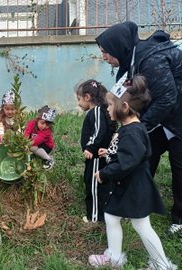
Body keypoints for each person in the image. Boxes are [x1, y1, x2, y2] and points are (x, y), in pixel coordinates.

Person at [96, 21, 182, 235]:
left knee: (179, 168)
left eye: (106, 52)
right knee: (143, 159)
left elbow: (167, 98)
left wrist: (138, 127)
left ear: (119, 47)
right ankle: (137, 205)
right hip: (161, 119)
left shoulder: (151, 59)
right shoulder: (132, 61)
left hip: (178, 120)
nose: (104, 57)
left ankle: (179, 218)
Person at [88, 75, 177, 270]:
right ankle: (114, 257)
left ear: (125, 107)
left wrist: (104, 173)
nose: (108, 109)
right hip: (129, 184)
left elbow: (128, 162)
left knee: (142, 226)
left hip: (135, 187)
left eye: (111, 106)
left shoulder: (133, 132)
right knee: (111, 217)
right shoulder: (130, 129)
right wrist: (111, 152)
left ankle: (161, 264)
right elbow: (130, 154)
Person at [76, 80, 116, 223]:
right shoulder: (101, 111)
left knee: (93, 185)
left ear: (87, 97)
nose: (79, 103)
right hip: (101, 156)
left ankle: (94, 217)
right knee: (101, 185)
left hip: (96, 158)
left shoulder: (97, 111)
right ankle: (104, 215)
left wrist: (90, 147)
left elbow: (99, 131)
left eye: (79, 99)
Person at [24, 105, 56, 170]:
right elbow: (27, 132)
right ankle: (32, 152)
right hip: (35, 141)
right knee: (31, 147)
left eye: (47, 125)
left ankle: (48, 159)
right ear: (38, 119)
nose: (44, 126)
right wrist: (24, 140)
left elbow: (37, 140)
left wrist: (26, 145)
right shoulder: (32, 123)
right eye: (42, 123)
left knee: (33, 148)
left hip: (46, 146)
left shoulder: (46, 131)